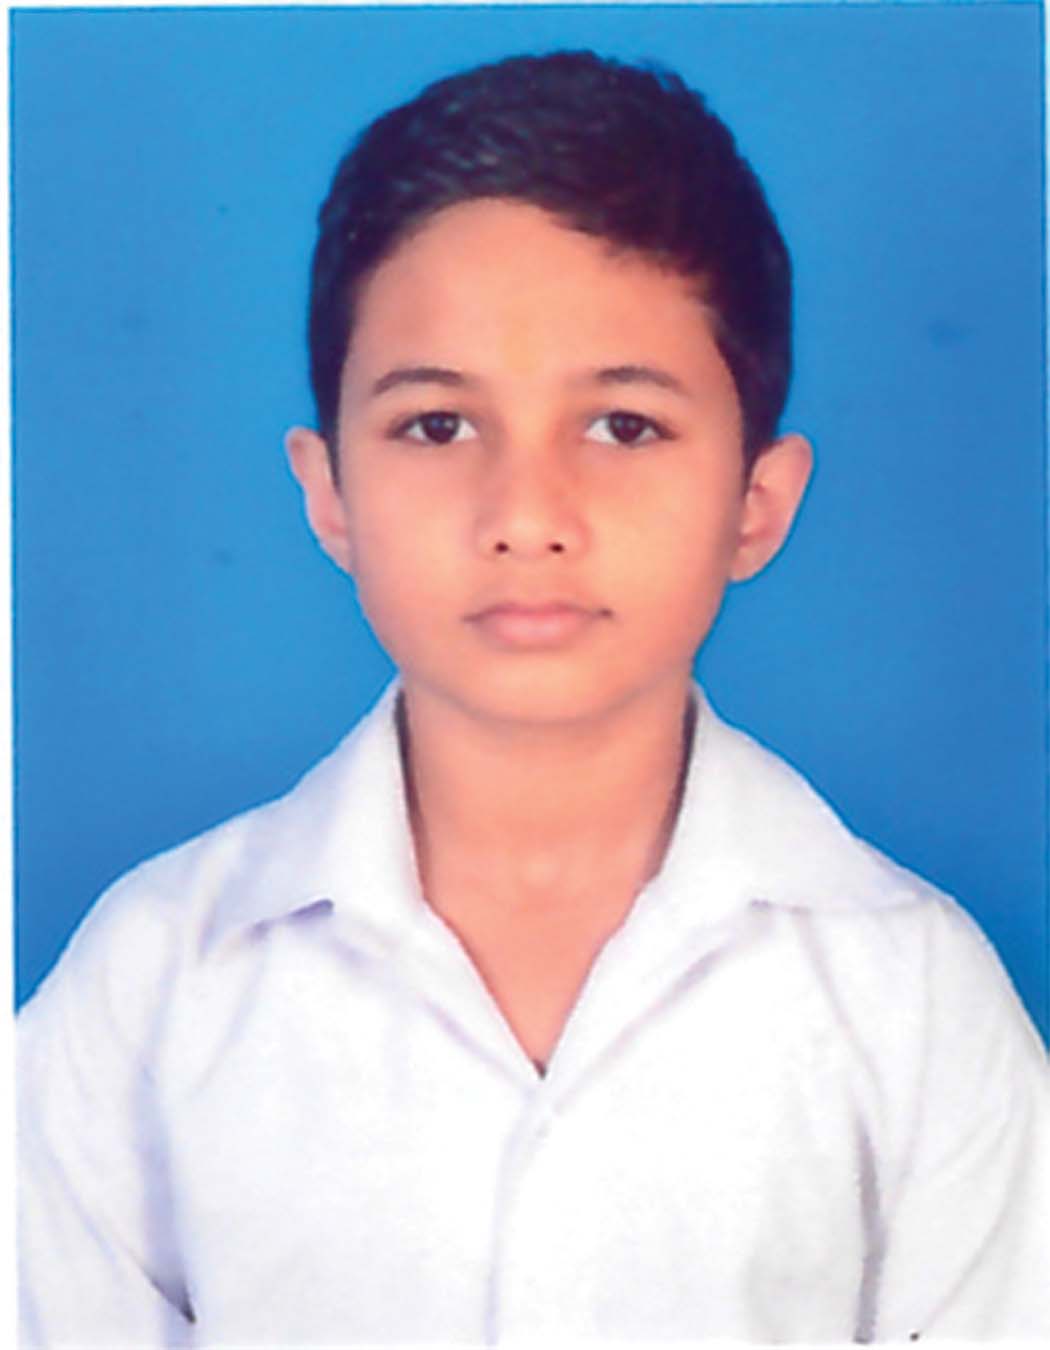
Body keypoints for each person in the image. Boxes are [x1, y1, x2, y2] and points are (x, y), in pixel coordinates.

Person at [17, 50, 1049, 1346]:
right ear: (329, 493)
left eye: (623, 426)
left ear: (756, 502)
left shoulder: (913, 1000)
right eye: (437, 426)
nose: (525, 515)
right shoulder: (151, 984)